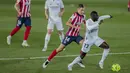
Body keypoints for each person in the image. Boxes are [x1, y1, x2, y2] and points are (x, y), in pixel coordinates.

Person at [42, 4, 86, 68]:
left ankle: (79, 60)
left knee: (84, 45)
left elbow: (85, 23)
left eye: (83, 10)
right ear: (78, 9)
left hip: (77, 36)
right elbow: (67, 23)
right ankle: (48, 60)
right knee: (60, 49)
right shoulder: (74, 15)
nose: (83, 12)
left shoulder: (83, 16)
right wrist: (76, 27)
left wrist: (86, 31)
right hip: (70, 35)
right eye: (81, 10)